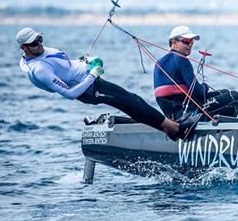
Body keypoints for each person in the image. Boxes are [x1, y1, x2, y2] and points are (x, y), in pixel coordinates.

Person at [15, 27, 190, 139]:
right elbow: (70, 93)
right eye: (33, 43)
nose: (39, 44)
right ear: (24, 48)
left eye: (39, 39)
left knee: (129, 104)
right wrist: (92, 74)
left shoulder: (41, 52)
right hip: (89, 89)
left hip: (90, 79)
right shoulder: (39, 70)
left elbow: (66, 67)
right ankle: (174, 129)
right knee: (132, 101)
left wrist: (86, 60)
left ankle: (167, 128)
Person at [153, 25, 238, 120]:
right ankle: (225, 131)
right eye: (186, 41)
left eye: (192, 42)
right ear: (174, 43)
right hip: (188, 114)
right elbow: (197, 91)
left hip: (174, 113)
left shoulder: (159, 62)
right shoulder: (182, 59)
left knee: (224, 92)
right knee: (233, 96)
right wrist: (205, 87)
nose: (190, 45)